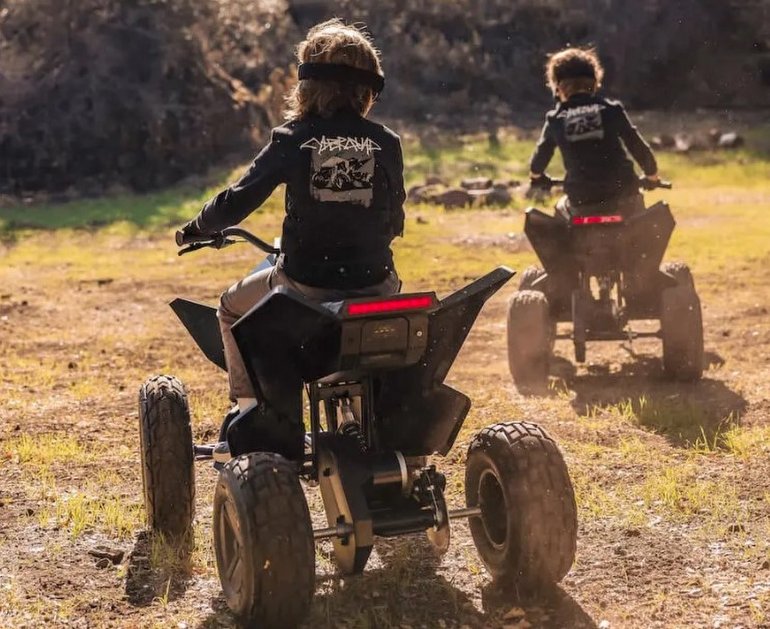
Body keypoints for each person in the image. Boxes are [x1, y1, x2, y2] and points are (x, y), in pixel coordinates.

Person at [177, 19, 405, 457]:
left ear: (308, 84)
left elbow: (235, 202)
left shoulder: (292, 138)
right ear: (367, 88)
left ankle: (249, 410)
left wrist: (197, 227)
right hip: (376, 284)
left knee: (228, 307)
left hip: (305, 287)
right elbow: (395, 221)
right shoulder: (386, 142)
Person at [529, 47, 660, 217]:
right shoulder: (612, 110)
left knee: (561, 211)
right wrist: (652, 176)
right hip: (623, 194)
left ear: (558, 87)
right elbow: (637, 146)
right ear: (594, 81)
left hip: (581, 200)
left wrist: (537, 177)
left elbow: (539, 161)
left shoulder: (556, 119)